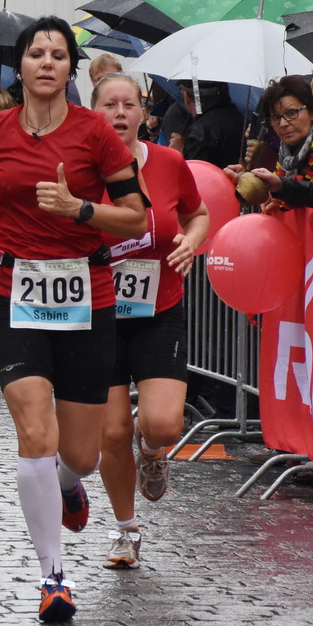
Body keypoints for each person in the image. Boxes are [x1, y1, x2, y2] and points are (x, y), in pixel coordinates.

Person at [0, 17, 149, 624]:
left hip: (87, 295)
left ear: (70, 68)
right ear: (20, 67)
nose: (46, 63)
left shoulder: (96, 135)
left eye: (58, 55)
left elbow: (137, 218)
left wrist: (80, 208)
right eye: (36, 53)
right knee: (35, 432)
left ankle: (68, 482)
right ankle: (53, 578)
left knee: (82, 454)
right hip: (12, 293)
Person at [90, 73, 210, 569]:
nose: (119, 113)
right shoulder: (77, 172)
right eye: (108, 105)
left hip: (158, 308)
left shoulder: (168, 162)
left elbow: (198, 213)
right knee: (112, 432)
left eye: (129, 104)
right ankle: (126, 531)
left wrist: (191, 239)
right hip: (97, 314)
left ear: (143, 113)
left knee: (162, 422)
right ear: (92, 113)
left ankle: (153, 449)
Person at [244, 75, 313, 211]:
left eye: (292, 113)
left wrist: (281, 186)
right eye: (276, 117)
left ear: (312, 112)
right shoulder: (282, 153)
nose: (283, 123)